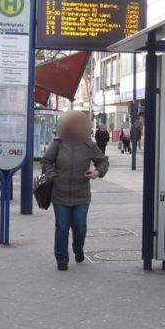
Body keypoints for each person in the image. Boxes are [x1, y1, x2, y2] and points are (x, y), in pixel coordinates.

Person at [41, 111, 109, 271]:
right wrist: (53, 176)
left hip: (81, 194)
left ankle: (78, 249)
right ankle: (62, 260)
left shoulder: (89, 144)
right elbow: (46, 161)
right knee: (62, 227)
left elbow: (103, 161)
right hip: (60, 193)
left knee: (80, 227)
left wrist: (97, 172)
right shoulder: (58, 143)